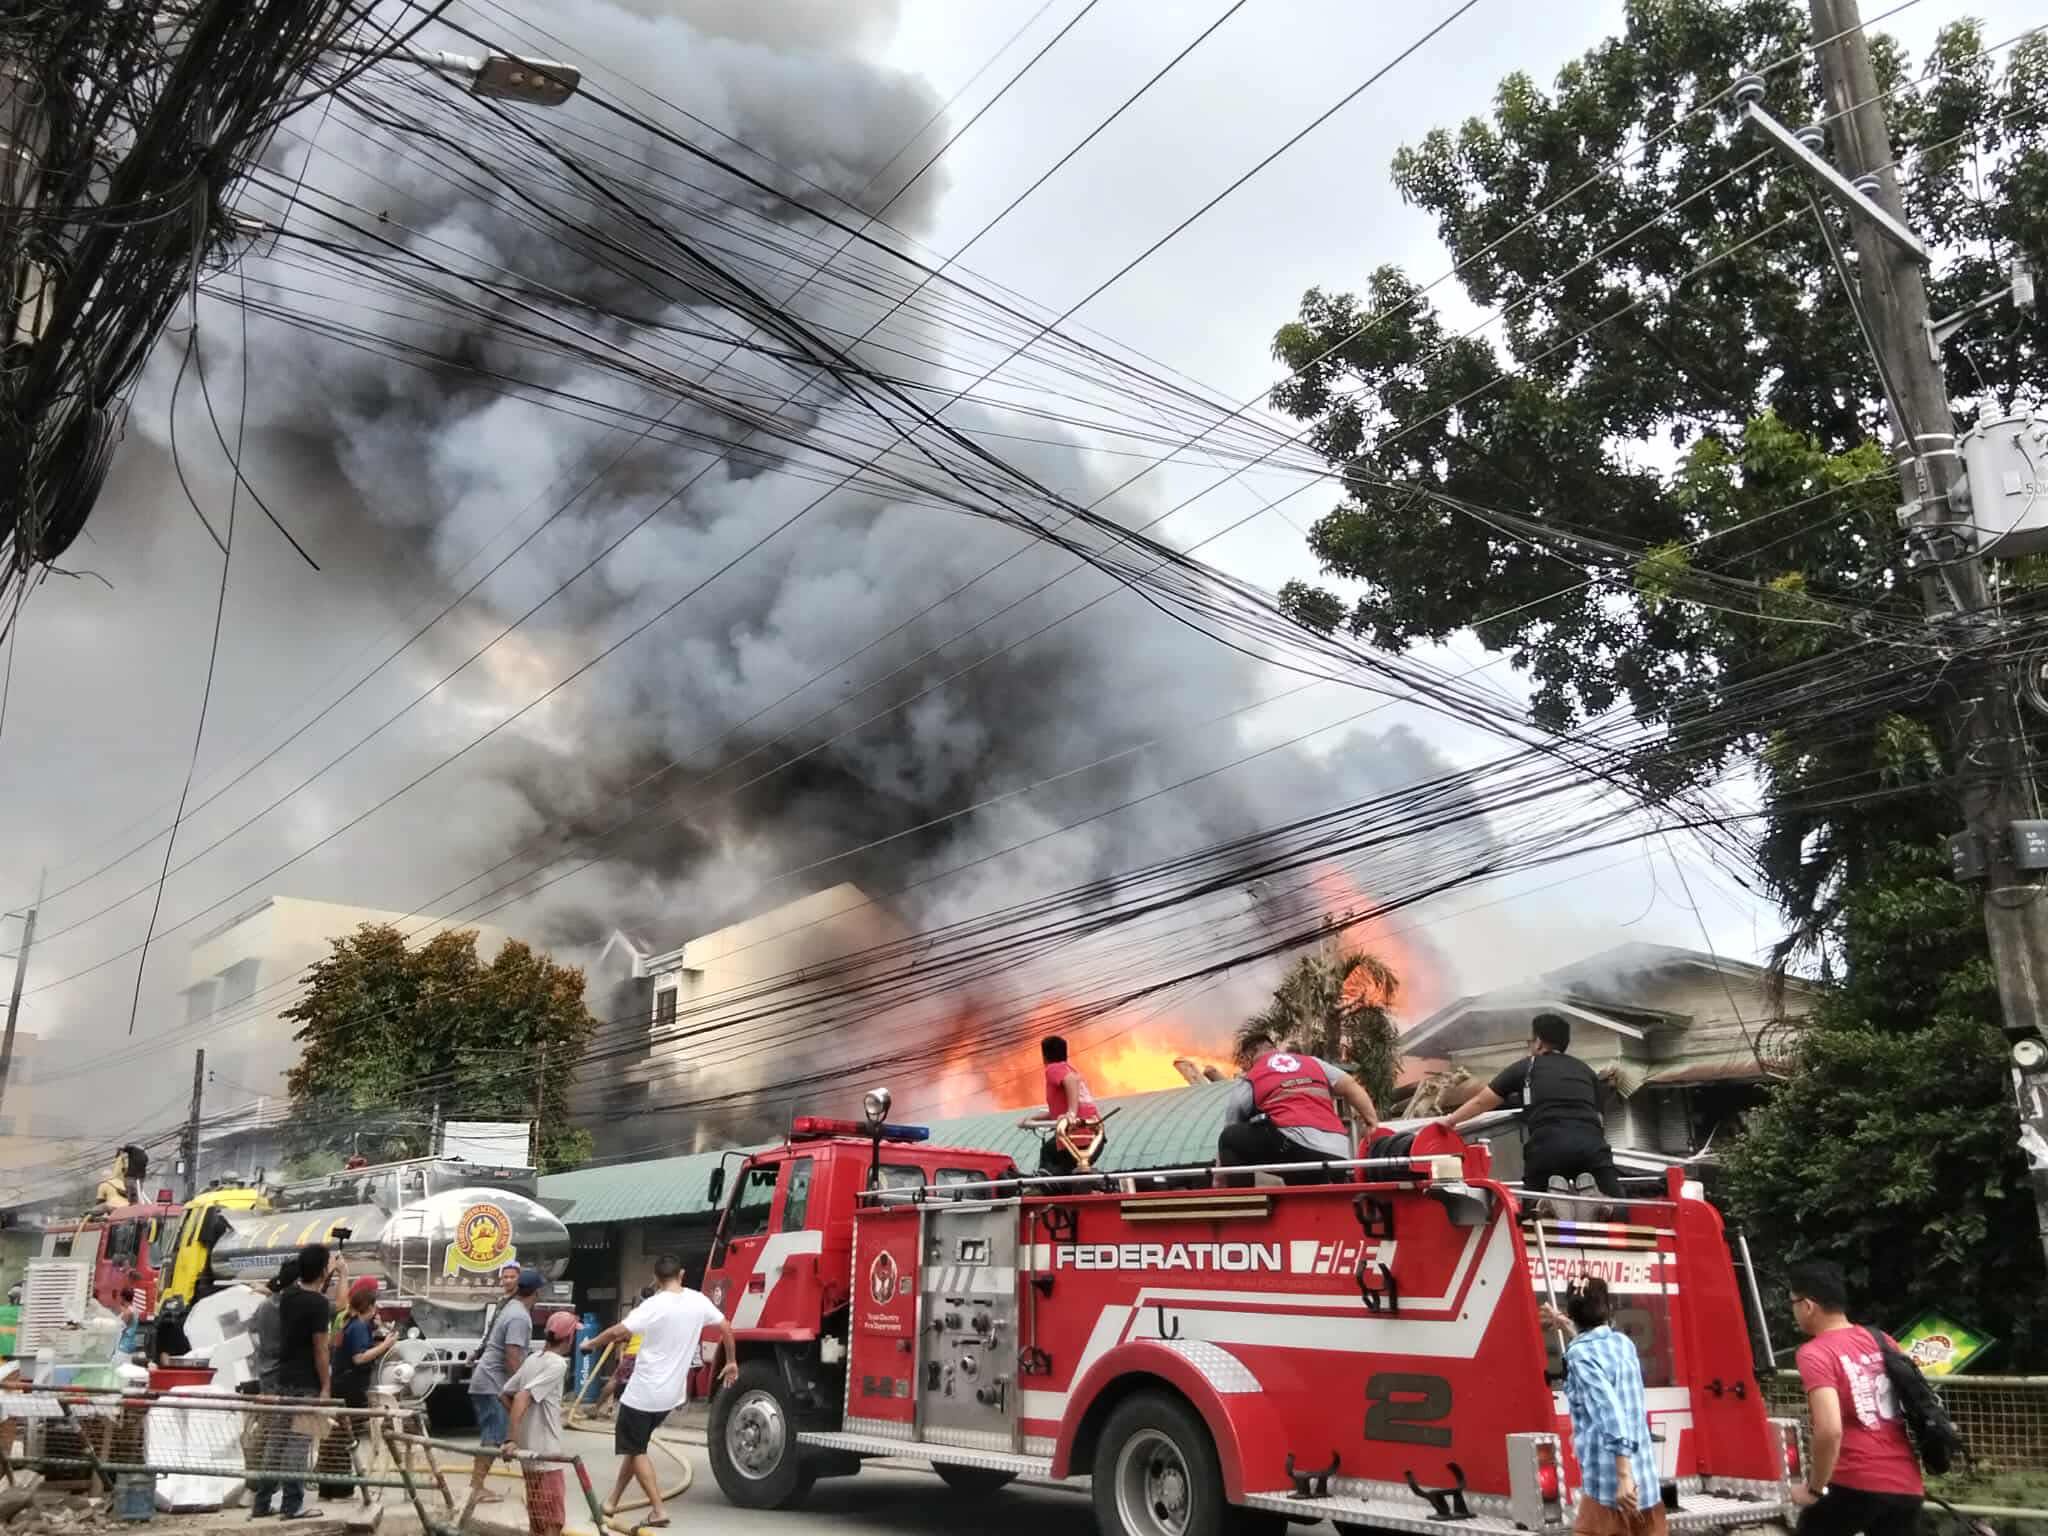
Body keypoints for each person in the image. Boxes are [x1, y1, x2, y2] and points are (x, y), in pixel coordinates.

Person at [582, 1254, 737, 1526]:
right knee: (635, 1448)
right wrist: (733, 1361)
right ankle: (611, 1502)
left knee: (636, 1449)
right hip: (670, 1396)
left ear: (655, 1278)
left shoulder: (652, 1306)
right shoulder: (698, 1300)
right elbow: (726, 1327)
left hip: (643, 1394)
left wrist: (591, 1343)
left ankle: (657, 1509)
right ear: (682, 1274)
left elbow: (618, 1331)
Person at [1786, 1261, 1923, 1536]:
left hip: (1854, 1481)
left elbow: (1829, 1429)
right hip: (1907, 1484)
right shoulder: (1881, 1339)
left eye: (1792, 1303)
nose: (1793, 1311)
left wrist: (1814, 1488)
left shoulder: (1815, 1353)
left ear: (1808, 1305)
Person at [1434, 1012, 1622, 1200]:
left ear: (1539, 1042)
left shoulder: (1527, 1067)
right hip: (1592, 1149)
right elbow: (1599, 1119)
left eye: (1530, 1042)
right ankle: (1607, 1207)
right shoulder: (1585, 1071)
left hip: (1548, 1149)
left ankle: (1541, 1208)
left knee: (1532, 1210)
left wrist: (1450, 1120)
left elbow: (1482, 1101)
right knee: (1619, 1204)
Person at [1541, 1277, 1665, 1536]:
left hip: (1609, 1489)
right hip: (1646, 1487)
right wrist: (1565, 1325)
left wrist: (1623, 1478)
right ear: (1607, 1308)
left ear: (1573, 1311)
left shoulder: (1580, 1356)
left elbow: (1611, 1413)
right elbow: (1595, 1349)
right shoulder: (1622, 1344)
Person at [1217, 1031, 1379, 1185]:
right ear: (1273, 1048)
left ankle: (1243, 1205)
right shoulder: (1313, 1062)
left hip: (1295, 1148)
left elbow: (1231, 1123)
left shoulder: (1253, 1076)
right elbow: (1350, 1085)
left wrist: (1218, 1176)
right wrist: (1372, 1122)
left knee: (1229, 1138)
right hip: (1338, 1152)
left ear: (1249, 1055)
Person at [249, 1243, 335, 1521]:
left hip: (283, 1379)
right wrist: (325, 1386)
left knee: (276, 1441)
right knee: (299, 1443)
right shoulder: (319, 1304)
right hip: (306, 1381)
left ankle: (261, 1502)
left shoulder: (288, 1298)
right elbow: (320, 1348)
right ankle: (292, 1505)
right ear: (323, 1271)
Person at [469, 1268, 542, 1506]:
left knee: (502, 1434)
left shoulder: (512, 1309)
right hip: (492, 1383)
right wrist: (522, 1386)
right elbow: (512, 1355)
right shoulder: (519, 1316)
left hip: (490, 1381)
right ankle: (475, 1488)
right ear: (537, 1293)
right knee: (493, 1436)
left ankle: (527, 1485)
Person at [502, 1312, 579, 1536]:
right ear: (570, 1337)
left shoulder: (532, 1359)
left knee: (537, 1519)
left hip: (530, 1454)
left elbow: (505, 1394)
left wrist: (523, 1423)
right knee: (553, 1522)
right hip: (547, 1455)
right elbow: (520, 1397)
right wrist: (511, 1439)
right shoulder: (557, 1364)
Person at [1016, 1036, 1107, 1176]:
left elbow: (1070, 1081)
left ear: (1044, 1055)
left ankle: (1041, 1186)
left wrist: (1071, 1113)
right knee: (1054, 1159)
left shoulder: (1054, 1068)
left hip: (1077, 1137)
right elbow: (1053, 1113)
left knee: (1049, 1158)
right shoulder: (1069, 1069)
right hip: (1094, 1138)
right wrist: (1030, 1119)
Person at [592, 1287, 656, 1420]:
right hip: (649, 1355)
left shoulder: (636, 1313)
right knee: (648, 1385)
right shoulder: (658, 1314)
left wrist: (619, 1339)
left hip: (632, 1353)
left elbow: (626, 1333)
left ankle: (595, 1408)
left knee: (615, 1380)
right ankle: (648, 1415)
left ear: (640, 1298)